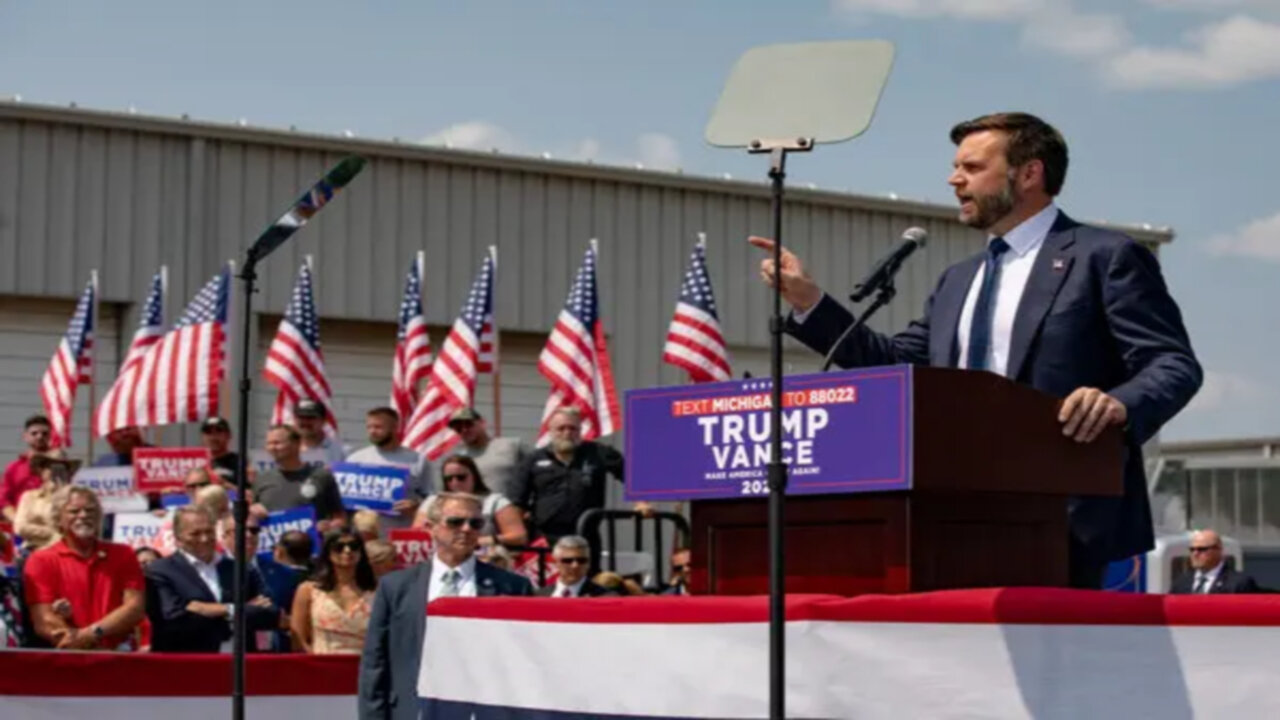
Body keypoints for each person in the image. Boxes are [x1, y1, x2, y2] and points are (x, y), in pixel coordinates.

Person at [752, 112, 1202, 589]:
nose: (954, 179)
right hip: (954, 517)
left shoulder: (1103, 256)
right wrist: (810, 303)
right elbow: (896, 366)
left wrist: (1118, 405)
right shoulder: (958, 280)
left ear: (1029, 173)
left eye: (971, 167)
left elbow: (1173, 364)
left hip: (1064, 518)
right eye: (955, 167)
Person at [359, 493, 533, 720]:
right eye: (455, 522)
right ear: (430, 527)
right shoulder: (395, 587)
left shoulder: (511, 587)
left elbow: (523, 663)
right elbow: (375, 661)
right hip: (414, 710)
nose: (467, 529)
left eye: (475, 523)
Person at [22, 487, 146, 650]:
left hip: (117, 655)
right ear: (58, 518)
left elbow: (135, 607)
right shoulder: (40, 560)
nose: (83, 515)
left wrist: (91, 634)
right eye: (74, 511)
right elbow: (43, 619)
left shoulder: (123, 554)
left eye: (90, 510)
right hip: (67, 657)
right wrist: (79, 645)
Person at [144, 506, 277, 652]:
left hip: (239, 663)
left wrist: (221, 609)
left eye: (209, 531)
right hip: (187, 661)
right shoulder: (160, 570)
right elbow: (174, 617)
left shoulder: (239, 569)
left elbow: (270, 612)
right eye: (195, 534)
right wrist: (242, 610)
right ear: (178, 537)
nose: (204, 538)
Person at [509, 407, 628, 546]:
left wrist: (642, 502)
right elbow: (517, 501)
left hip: (586, 535)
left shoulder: (598, 453)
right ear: (550, 431)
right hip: (543, 539)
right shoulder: (533, 459)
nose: (567, 433)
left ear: (580, 430)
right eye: (561, 428)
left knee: (587, 568)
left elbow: (633, 474)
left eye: (573, 428)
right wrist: (517, 537)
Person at [345, 407, 433, 529]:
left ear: (394, 428)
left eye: (378, 427)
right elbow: (342, 501)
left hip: (402, 533)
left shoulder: (417, 460)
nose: (372, 431)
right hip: (365, 536)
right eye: (369, 427)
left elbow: (431, 499)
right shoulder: (354, 460)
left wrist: (416, 506)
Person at [291, 531, 378, 654]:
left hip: (365, 666)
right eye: (339, 547)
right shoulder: (308, 590)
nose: (347, 551)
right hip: (322, 666)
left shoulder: (378, 591)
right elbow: (298, 640)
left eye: (354, 546)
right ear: (328, 552)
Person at [414, 455, 526, 549]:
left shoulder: (494, 501)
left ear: (474, 476)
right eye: (449, 479)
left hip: (484, 558)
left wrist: (486, 540)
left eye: (461, 477)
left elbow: (519, 536)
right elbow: (416, 533)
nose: (455, 482)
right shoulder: (432, 501)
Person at [252, 425, 346, 533]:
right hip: (274, 548)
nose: (272, 447)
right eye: (269, 443)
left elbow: (340, 518)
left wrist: (329, 527)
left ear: (296, 444)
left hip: (311, 548)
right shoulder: (261, 478)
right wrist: (252, 512)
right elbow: (251, 519)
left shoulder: (322, 476)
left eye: (277, 443)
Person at [440, 407, 530, 499]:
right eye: (458, 429)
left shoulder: (512, 446)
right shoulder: (458, 459)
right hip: (475, 510)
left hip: (509, 509)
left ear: (482, 423)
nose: (464, 430)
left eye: (469, 424)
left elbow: (535, 474)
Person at [13, 452, 81, 552]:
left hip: (67, 551)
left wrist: (63, 493)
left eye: (63, 468)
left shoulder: (76, 497)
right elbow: (20, 527)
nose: (56, 472)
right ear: (42, 471)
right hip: (35, 549)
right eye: (51, 467)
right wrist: (53, 535)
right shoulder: (30, 497)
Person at [1169, 530, 1261, 594]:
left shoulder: (1239, 583)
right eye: (1192, 550)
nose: (1195, 554)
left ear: (1219, 551)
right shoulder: (1181, 583)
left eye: (1202, 549)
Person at [1, 414, 53, 521]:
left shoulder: (59, 466)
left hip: (50, 525)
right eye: (34, 433)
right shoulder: (14, 468)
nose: (39, 436)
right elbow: (3, 499)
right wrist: (16, 520)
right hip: (20, 525)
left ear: (50, 436)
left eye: (44, 433)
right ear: (25, 436)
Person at [539, 536, 614, 597]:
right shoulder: (538, 596)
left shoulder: (605, 597)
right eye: (568, 561)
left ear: (588, 563)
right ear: (555, 562)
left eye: (582, 560)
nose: (575, 565)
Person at [295, 399, 347, 467]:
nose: (305, 422)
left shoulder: (340, 451)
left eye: (311, 417)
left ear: (323, 421)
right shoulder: (284, 449)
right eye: (301, 417)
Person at [200, 416, 241, 489]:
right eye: (208, 432)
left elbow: (250, 494)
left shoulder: (240, 462)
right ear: (202, 437)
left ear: (228, 435)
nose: (213, 437)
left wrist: (225, 485)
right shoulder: (194, 461)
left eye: (218, 431)